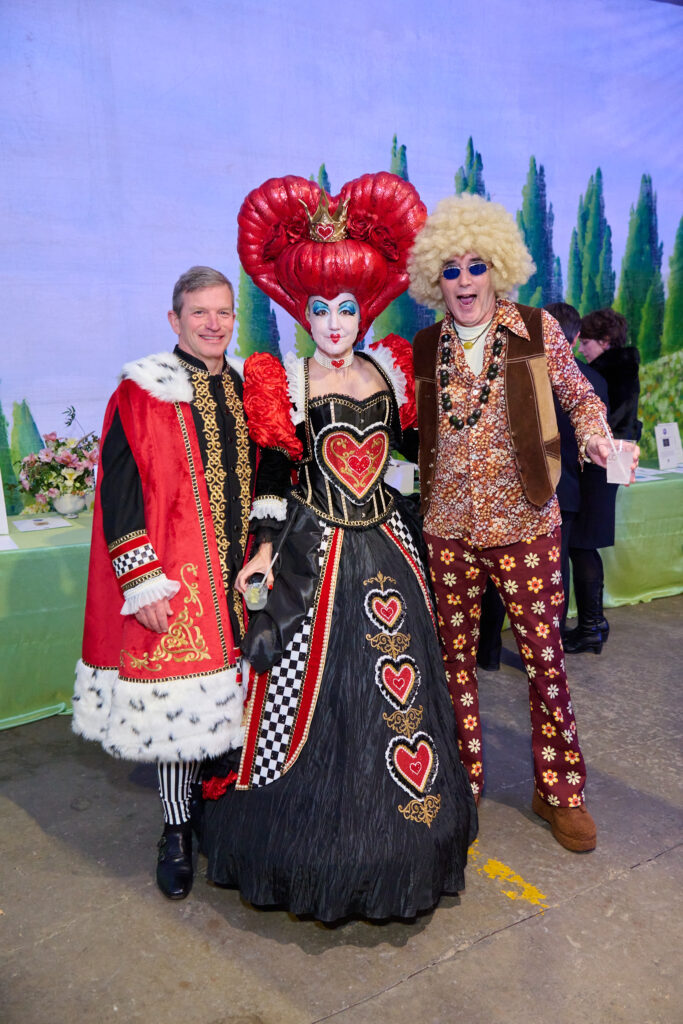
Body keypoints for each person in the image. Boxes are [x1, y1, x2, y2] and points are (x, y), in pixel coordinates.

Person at [201, 173, 477, 922]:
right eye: (319, 309)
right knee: (303, 695)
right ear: (302, 312)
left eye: (345, 308)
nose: (332, 323)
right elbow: (274, 472)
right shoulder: (281, 381)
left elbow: (417, 459)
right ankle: (306, 839)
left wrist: (438, 519)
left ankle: (407, 833)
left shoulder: (390, 369)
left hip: (388, 542)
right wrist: (259, 548)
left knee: (401, 688)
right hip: (312, 550)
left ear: (366, 310)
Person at [408, 193, 639, 852]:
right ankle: (462, 780)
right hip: (448, 528)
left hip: (525, 526)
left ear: (498, 268)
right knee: (452, 663)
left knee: (543, 661)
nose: (462, 282)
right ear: (435, 280)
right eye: (449, 271)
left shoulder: (534, 328)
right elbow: (423, 430)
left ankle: (559, 790)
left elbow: (577, 395)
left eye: (475, 267)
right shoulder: (427, 346)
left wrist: (595, 439)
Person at [72, 266, 254, 899]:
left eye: (223, 312)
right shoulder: (142, 390)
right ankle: (175, 831)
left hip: (241, 579)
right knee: (179, 714)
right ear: (174, 320)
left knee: (231, 708)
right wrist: (141, 580)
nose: (213, 323)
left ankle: (217, 810)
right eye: (199, 312)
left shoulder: (242, 388)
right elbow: (118, 493)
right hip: (178, 581)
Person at [564, 308, 642, 653]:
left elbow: (604, 424)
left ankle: (591, 626)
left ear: (605, 341)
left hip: (600, 463)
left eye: (589, 342)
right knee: (585, 545)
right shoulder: (620, 369)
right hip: (609, 461)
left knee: (581, 544)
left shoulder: (604, 375)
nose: (583, 349)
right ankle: (593, 623)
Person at [544, 302, 610, 637]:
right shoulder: (594, 378)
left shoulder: (534, 377)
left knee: (545, 566)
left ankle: (548, 638)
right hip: (576, 486)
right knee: (562, 563)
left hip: (548, 486)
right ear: (576, 336)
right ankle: (560, 637)